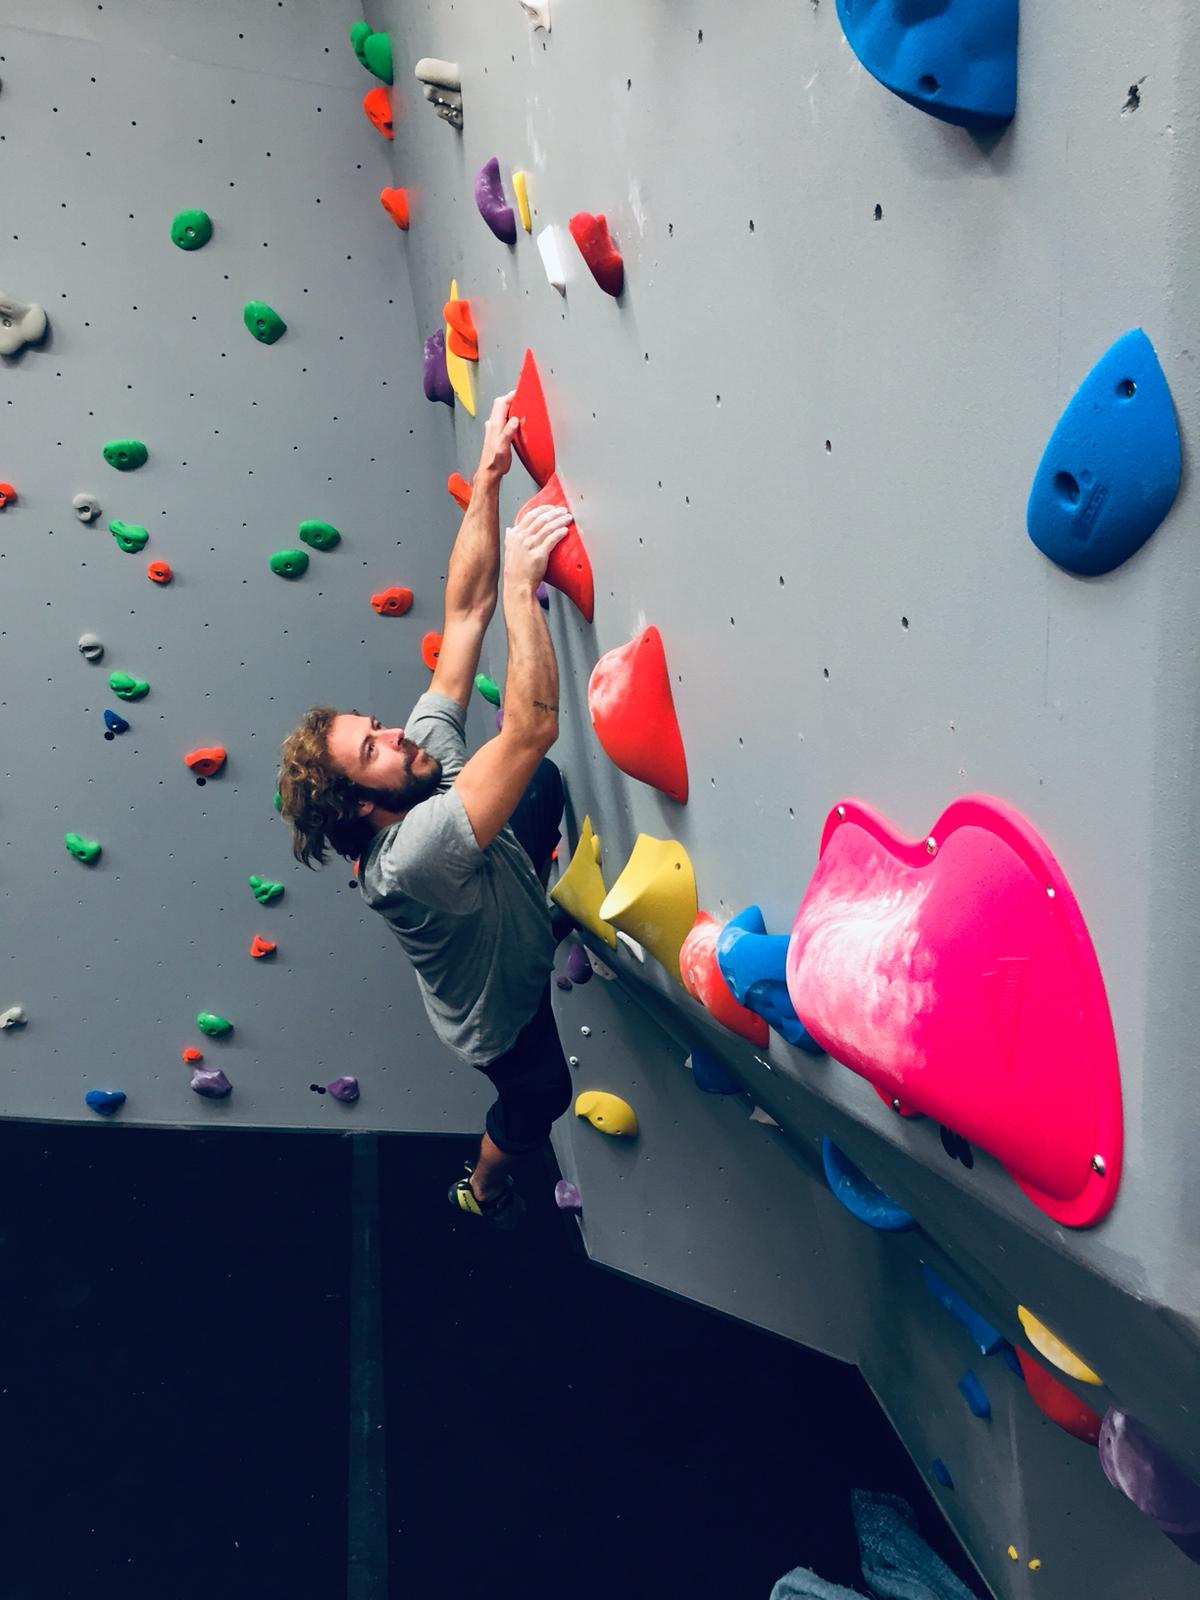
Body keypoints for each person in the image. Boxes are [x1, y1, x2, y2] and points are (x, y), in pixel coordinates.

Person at [277, 394, 576, 1229]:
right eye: (373, 748)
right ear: (367, 807)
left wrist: (486, 479)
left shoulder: (415, 769)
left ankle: (543, 909)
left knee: (538, 791)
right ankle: (480, 1191)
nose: (395, 734)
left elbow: (464, 613)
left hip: (491, 890)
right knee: (541, 1098)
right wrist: (526, 583)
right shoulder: (410, 852)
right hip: (500, 1011)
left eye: (373, 729)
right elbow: (533, 726)